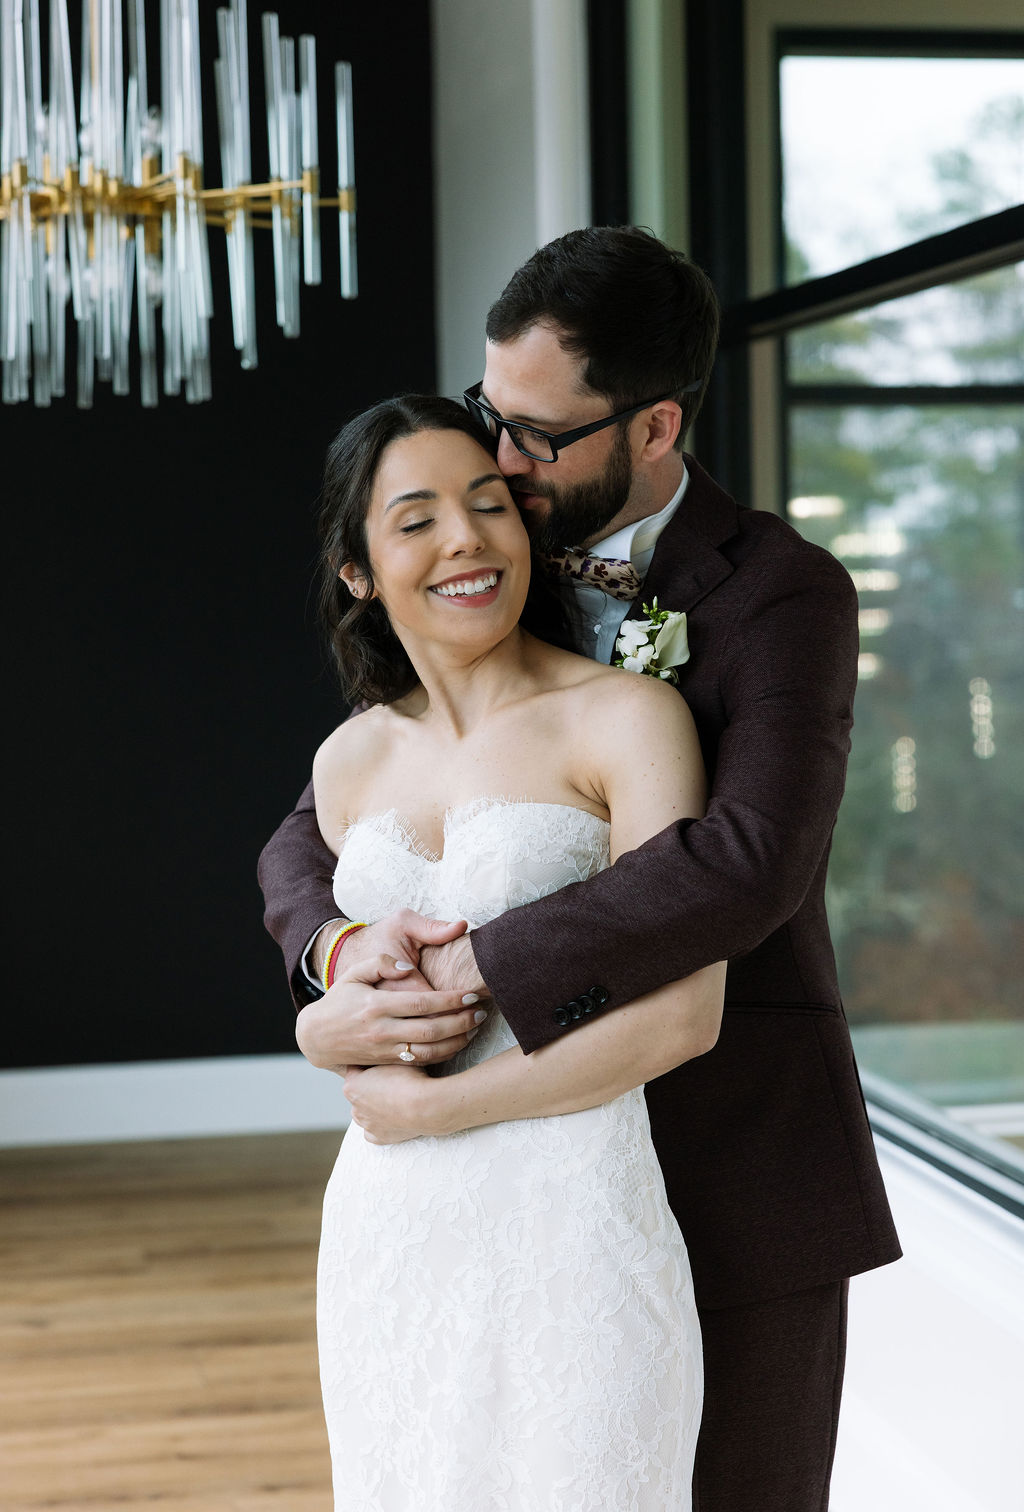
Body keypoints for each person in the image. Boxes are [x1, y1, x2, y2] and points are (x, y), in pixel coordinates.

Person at [259, 226, 902, 1512]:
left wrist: (473, 965)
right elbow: (317, 819)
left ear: (655, 427)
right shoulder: (499, 554)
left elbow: (746, 863)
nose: (498, 463)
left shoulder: (784, 593)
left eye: (535, 438)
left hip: (731, 1141)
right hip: (494, 1197)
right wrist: (333, 960)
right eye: (491, 413)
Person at [310, 392, 726, 1508]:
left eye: (488, 503)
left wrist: (438, 1109)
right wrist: (320, 1018)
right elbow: (356, 978)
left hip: (573, 1218)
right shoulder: (344, 766)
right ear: (358, 570)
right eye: (416, 519)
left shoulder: (623, 719)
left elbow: (685, 1016)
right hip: (387, 1231)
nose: (466, 538)